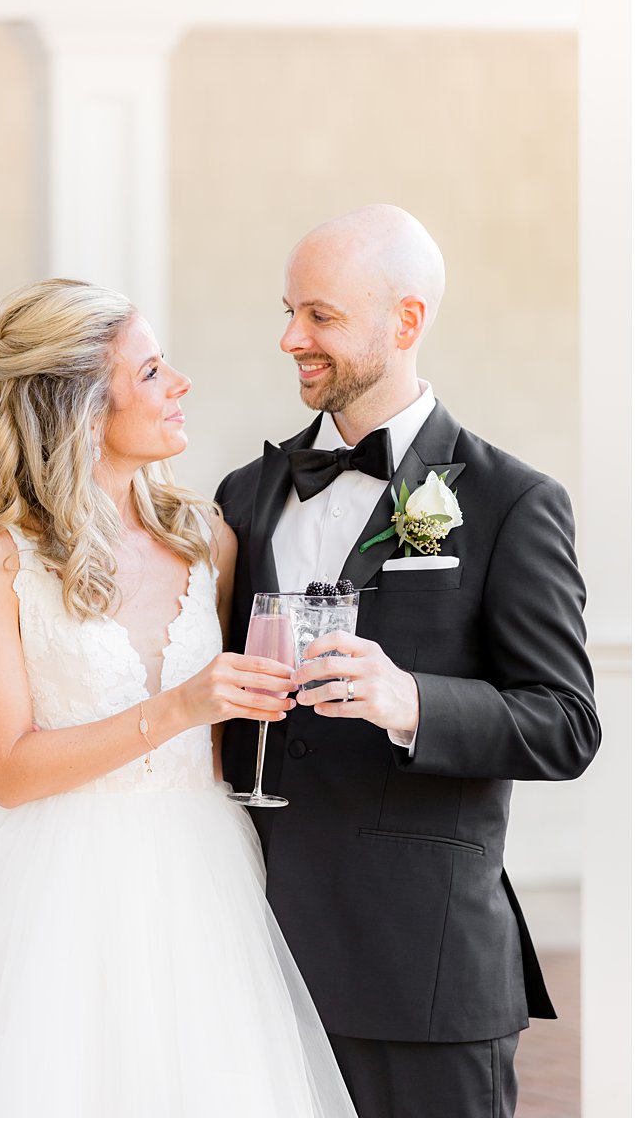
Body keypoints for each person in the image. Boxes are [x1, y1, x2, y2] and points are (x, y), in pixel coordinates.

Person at [0, 279, 356, 1117]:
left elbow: (229, 744)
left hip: (207, 880)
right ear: (85, 409)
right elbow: (8, 769)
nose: (182, 385)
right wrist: (181, 705)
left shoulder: (208, 536)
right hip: (60, 885)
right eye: (153, 372)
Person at [216, 205, 600, 1117]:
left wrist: (410, 700)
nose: (290, 338)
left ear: (407, 321)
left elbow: (567, 722)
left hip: (421, 974)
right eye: (287, 311)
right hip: (251, 961)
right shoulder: (247, 494)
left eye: (320, 316)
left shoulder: (513, 501)